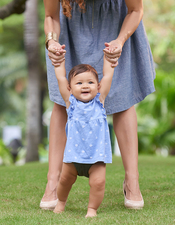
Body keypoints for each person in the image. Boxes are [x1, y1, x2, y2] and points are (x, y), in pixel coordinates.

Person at [40, 0, 155, 210]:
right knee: (62, 99)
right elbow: (51, 16)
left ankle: (132, 180)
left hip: (117, 28)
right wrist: (51, 41)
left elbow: (136, 10)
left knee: (123, 98)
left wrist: (120, 41)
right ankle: (52, 181)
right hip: (70, 32)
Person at [51, 46, 115, 217]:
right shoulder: (70, 103)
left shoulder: (99, 102)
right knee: (64, 181)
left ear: (98, 86)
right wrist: (58, 61)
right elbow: (60, 77)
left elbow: (108, 76)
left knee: (99, 182)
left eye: (90, 82)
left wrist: (109, 60)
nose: (85, 86)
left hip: (97, 157)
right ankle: (61, 202)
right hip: (73, 157)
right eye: (79, 83)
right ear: (70, 88)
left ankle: (92, 209)